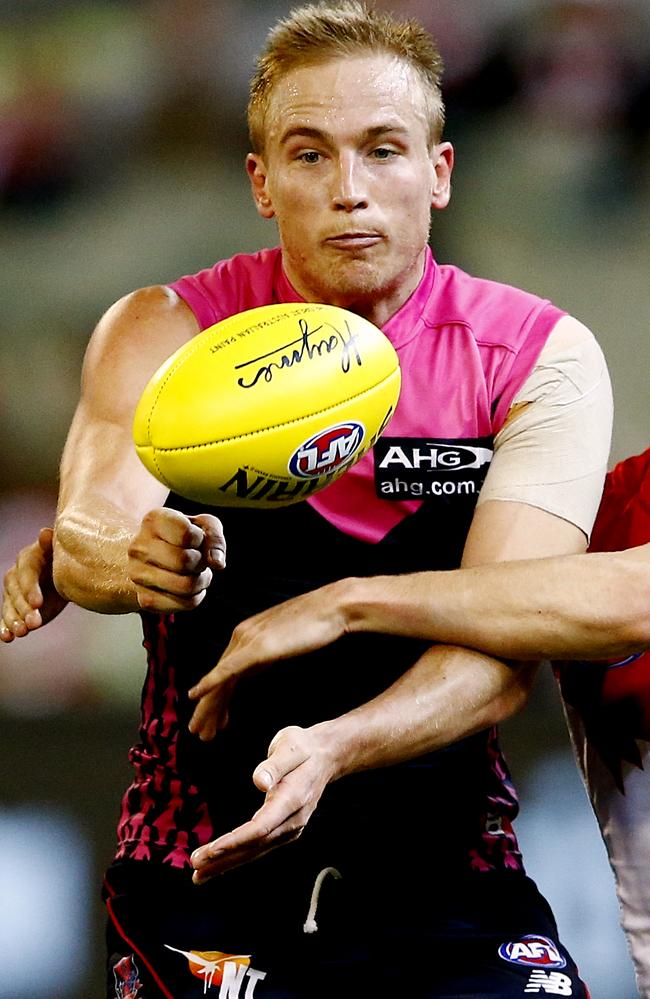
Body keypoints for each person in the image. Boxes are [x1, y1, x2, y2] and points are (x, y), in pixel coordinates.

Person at [1, 3, 614, 997]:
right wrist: (131, 559)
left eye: (381, 151)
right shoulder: (165, 329)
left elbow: (503, 653)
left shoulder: (537, 357)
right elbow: (87, 530)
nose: (349, 193)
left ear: (439, 172)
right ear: (260, 182)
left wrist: (334, 747)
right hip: (199, 868)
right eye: (309, 155)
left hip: (453, 880)